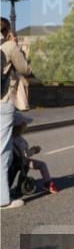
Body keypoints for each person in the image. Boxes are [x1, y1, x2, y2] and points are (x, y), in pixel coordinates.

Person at [2, 17, 30, 209]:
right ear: (9, 31)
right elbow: (25, 69)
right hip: (3, 103)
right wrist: (17, 45)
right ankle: (3, 199)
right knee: (3, 151)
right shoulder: (10, 47)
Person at [12, 111, 57, 194]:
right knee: (41, 165)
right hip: (21, 161)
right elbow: (24, 154)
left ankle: (20, 185)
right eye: (25, 124)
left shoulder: (13, 138)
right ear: (19, 126)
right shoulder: (18, 141)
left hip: (17, 161)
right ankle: (48, 184)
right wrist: (34, 150)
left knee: (36, 165)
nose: (26, 126)